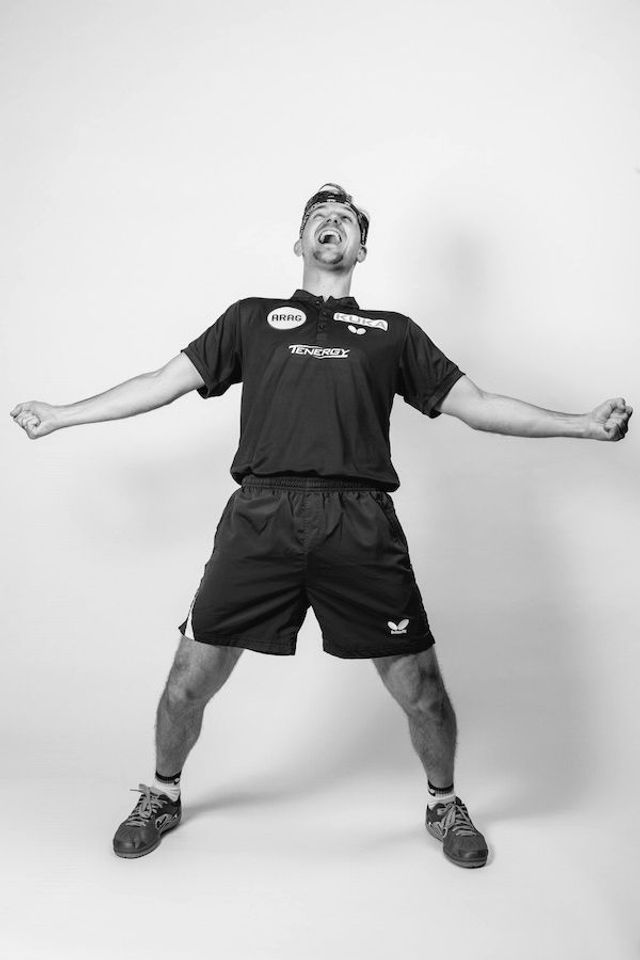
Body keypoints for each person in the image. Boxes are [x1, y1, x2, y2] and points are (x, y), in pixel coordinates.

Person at [10, 183, 632, 870]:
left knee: (422, 690)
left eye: (345, 219)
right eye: (319, 217)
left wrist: (582, 426)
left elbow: (478, 404)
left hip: (358, 523)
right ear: (299, 241)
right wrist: (62, 415)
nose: (331, 223)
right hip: (261, 518)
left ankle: (444, 803)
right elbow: (161, 381)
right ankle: (162, 793)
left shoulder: (392, 333)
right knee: (189, 678)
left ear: (361, 249)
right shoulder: (251, 319)